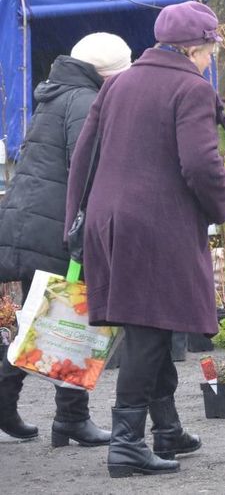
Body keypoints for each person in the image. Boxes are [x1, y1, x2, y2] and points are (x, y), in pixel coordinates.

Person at [65, 1, 225, 478]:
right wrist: (219, 209)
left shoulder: (118, 84)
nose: (210, 60)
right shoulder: (191, 89)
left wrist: (74, 217)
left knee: (152, 324)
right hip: (155, 225)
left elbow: (84, 155)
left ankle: (167, 429)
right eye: (211, 50)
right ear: (198, 48)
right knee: (149, 329)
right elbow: (200, 163)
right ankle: (127, 444)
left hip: (108, 220)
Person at [0, 32, 132, 446]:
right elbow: (89, 167)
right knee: (63, 318)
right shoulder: (84, 101)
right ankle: (63, 417)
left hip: (30, 222)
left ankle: (61, 416)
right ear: (108, 75)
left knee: (47, 318)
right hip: (55, 228)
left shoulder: (56, 94)